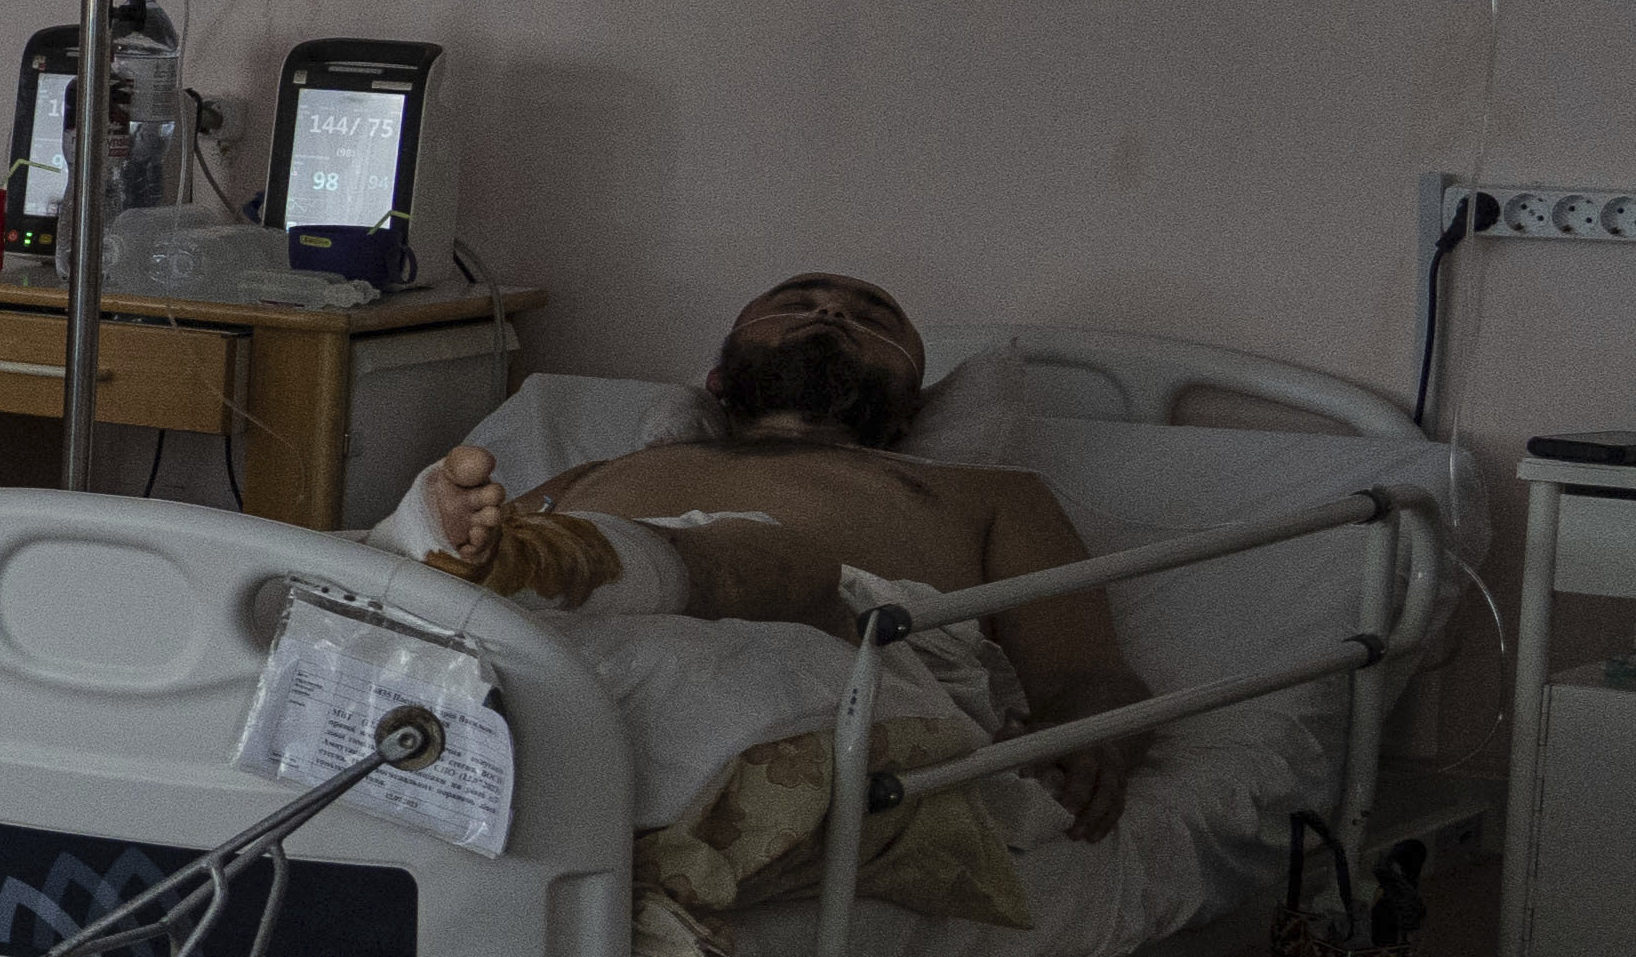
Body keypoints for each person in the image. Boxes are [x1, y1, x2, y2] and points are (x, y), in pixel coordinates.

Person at [414, 270, 1137, 827]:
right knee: (458, 577)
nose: (832, 313)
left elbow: (1085, 677)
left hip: (827, 667)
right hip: (571, 665)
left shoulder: (989, 494)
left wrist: (1092, 741)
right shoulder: (600, 473)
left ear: (912, 406)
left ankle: (614, 568)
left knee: (772, 565)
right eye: (797, 303)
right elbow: (485, 568)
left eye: (873, 320)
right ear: (718, 381)